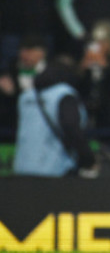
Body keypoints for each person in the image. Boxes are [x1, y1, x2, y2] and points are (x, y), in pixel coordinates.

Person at [13, 35, 97, 177]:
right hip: (52, 172)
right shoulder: (64, 95)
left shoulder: (25, 97)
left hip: (21, 168)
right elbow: (71, 127)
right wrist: (88, 159)